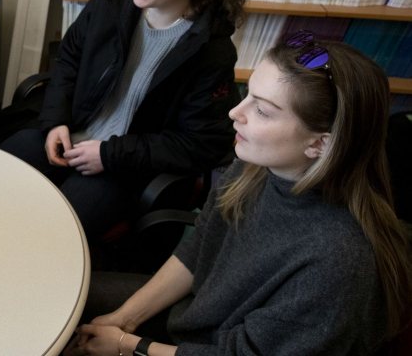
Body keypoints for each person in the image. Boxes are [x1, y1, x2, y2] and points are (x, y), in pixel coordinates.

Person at [66, 38, 412, 355]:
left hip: (221, 347)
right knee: (56, 296)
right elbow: (199, 249)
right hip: (197, 319)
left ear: (319, 143)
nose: (235, 112)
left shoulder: (337, 261)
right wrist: (124, 318)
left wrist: (128, 345)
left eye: (262, 110)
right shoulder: (255, 167)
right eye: (246, 93)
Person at [0, 0, 247, 240]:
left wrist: (109, 154)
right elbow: (69, 57)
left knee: (50, 235)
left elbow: (200, 145)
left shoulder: (211, 51)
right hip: (73, 128)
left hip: (125, 165)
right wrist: (55, 120)